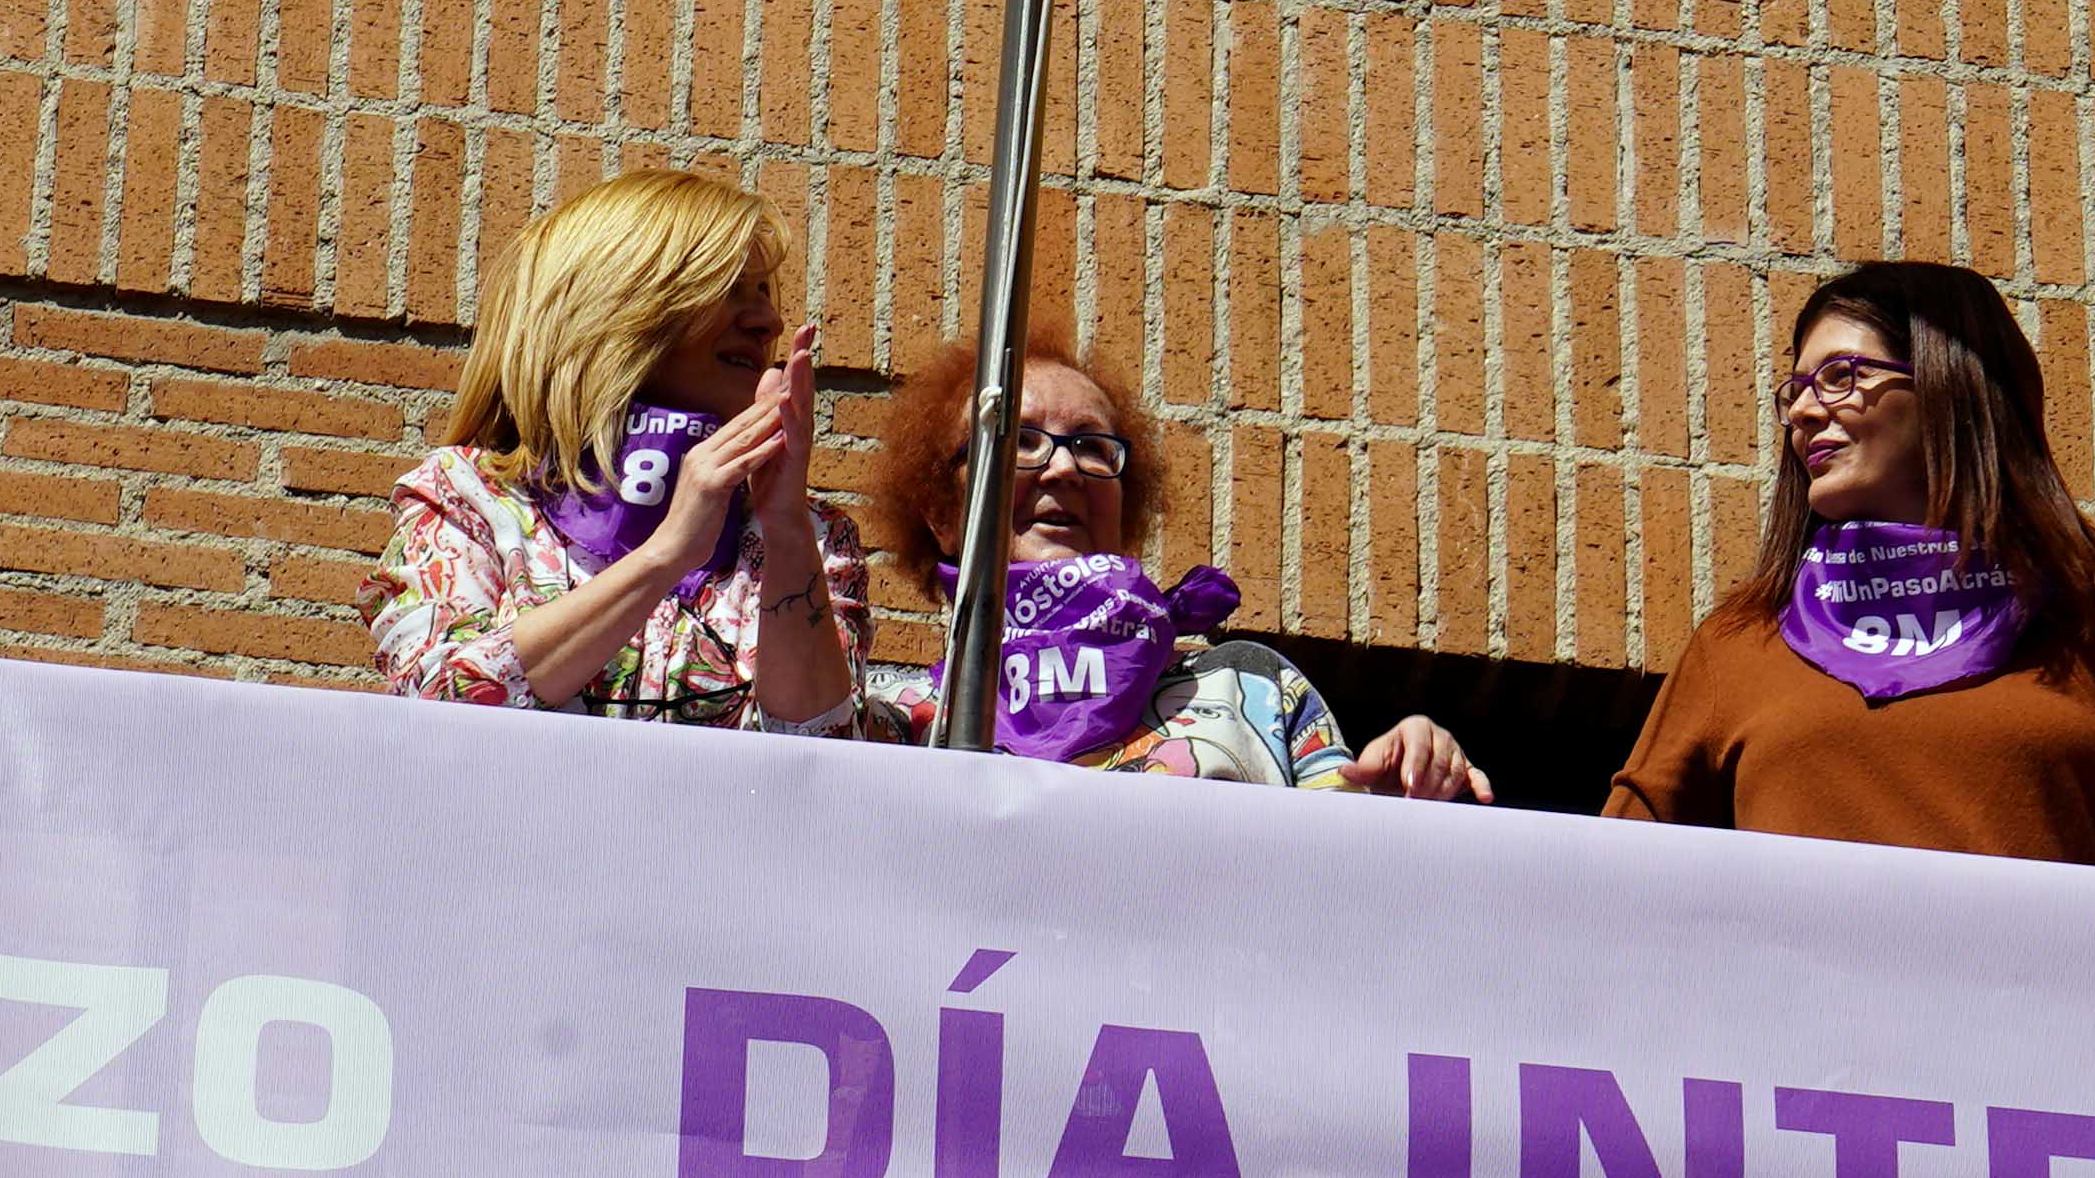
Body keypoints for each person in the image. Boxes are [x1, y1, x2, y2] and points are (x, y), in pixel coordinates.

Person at [1602, 260, 2095, 873]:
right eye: (1796, 391)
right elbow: (1615, 876)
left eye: (1840, 376)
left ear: (1949, 387)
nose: (1801, 411)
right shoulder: (1740, 645)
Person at [853, 330, 1488, 795]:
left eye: (1092, 446)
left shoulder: (1252, 687)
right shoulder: (895, 722)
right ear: (942, 517)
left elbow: (1343, 870)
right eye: (1019, 441)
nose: (1065, 466)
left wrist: (1400, 793)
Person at [364, 169, 862, 731]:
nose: (768, 322)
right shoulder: (466, 497)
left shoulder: (812, 535)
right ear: (617, 306)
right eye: (728, 289)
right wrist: (666, 553)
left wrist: (786, 528)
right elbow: (437, 705)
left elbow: (821, 748)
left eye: (764, 294)